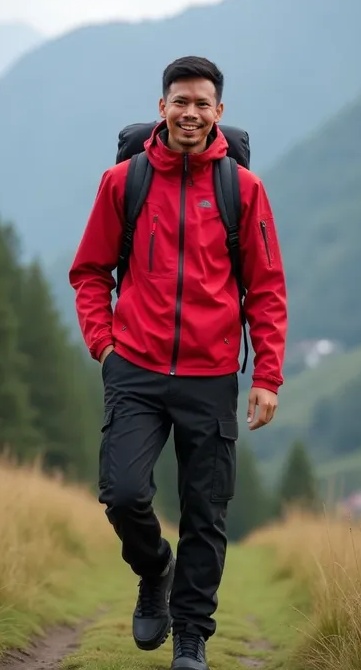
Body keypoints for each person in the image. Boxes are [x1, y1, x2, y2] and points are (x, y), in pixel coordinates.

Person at [69, 55, 287, 670]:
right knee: (123, 493)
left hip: (211, 375)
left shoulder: (243, 189)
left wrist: (266, 374)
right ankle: (153, 567)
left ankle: (191, 636)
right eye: (179, 102)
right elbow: (90, 271)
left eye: (202, 104)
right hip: (134, 368)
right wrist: (105, 345)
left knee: (206, 512)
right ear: (161, 107)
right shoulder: (124, 182)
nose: (190, 113)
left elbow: (266, 289)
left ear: (219, 112)